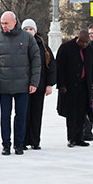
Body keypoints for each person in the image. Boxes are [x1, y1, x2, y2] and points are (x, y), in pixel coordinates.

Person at [0, 11, 41, 155]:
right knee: (5, 116)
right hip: (4, 84)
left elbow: (36, 60)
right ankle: (6, 144)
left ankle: (19, 144)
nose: (3, 26)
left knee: (21, 116)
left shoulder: (27, 37)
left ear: (14, 22)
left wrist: (34, 82)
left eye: (6, 23)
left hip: (23, 84)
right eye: (2, 23)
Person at [56, 30, 93, 147]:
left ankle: (80, 137)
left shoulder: (89, 49)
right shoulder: (66, 48)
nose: (84, 45)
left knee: (82, 113)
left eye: (86, 42)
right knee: (71, 113)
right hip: (70, 87)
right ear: (77, 39)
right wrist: (61, 85)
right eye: (82, 42)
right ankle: (71, 138)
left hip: (84, 86)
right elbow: (60, 68)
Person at [21, 18, 57, 150]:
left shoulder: (42, 45)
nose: (29, 32)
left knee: (36, 114)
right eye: (26, 29)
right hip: (23, 86)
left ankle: (35, 140)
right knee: (24, 114)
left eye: (31, 29)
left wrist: (49, 84)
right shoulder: (19, 43)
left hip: (40, 86)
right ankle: (23, 140)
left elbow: (51, 65)